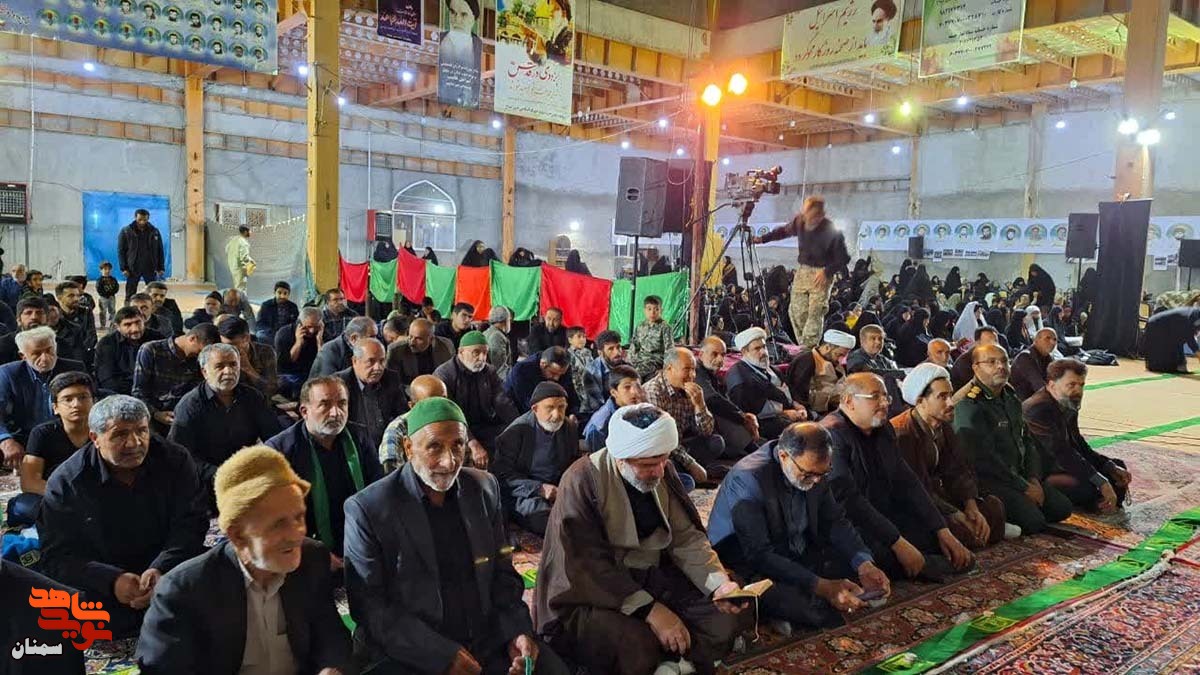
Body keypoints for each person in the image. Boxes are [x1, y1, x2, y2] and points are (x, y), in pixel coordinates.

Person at [344, 397, 570, 675]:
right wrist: (441, 656)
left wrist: (516, 632)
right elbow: (371, 608)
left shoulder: (484, 488)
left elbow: (503, 573)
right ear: (408, 448)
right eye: (435, 447)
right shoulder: (369, 508)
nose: (449, 461)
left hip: (485, 638)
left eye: (458, 445)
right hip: (413, 650)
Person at [535, 403, 747, 675]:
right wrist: (650, 610)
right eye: (648, 465)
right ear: (620, 459)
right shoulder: (582, 480)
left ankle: (674, 663)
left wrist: (718, 585)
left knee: (727, 613)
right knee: (637, 644)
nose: (659, 471)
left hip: (653, 576)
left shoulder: (662, 470)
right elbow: (586, 565)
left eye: (663, 460)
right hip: (595, 592)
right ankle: (675, 660)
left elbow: (686, 537)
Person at [135, 446, 353, 674]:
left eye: (298, 517)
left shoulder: (312, 559)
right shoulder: (183, 591)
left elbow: (330, 634)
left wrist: (331, 668)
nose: (296, 534)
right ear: (238, 536)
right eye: (278, 524)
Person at [38, 395, 209, 637]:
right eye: (120, 434)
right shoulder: (67, 481)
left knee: (221, 580)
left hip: (168, 567)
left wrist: (162, 567)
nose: (134, 443)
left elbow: (192, 524)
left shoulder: (174, 460)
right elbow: (57, 555)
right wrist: (113, 580)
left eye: (142, 431)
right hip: (104, 578)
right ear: (95, 438)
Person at [707, 423, 891, 630]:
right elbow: (759, 554)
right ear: (784, 456)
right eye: (808, 474)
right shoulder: (749, 479)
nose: (816, 481)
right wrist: (822, 586)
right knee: (818, 612)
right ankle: (772, 609)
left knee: (876, 558)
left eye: (823, 473)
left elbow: (835, 521)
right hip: (752, 564)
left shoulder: (814, 468)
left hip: (796, 549)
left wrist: (864, 565)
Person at [822, 373, 973, 581]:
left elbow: (907, 481)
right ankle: (923, 565)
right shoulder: (831, 435)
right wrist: (897, 542)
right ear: (849, 401)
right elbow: (850, 501)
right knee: (881, 555)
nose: (885, 403)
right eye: (875, 397)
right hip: (852, 524)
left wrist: (941, 529)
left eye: (886, 397)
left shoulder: (883, 428)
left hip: (886, 516)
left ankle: (925, 563)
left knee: (947, 537)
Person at [953, 344, 1073, 534]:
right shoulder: (970, 404)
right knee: (1034, 522)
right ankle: (994, 518)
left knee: (1062, 508)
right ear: (976, 367)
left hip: (1018, 475)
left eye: (1004, 361)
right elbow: (984, 459)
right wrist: (1023, 487)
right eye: (991, 362)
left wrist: (1033, 478)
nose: (1000, 366)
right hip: (991, 481)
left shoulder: (1009, 396)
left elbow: (1027, 440)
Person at [265, 376, 383, 565]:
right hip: (304, 547)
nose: (336, 413)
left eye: (342, 404)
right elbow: (275, 516)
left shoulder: (359, 437)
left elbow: (377, 491)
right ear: (304, 411)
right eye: (325, 405)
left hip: (360, 538)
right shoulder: (279, 451)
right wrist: (313, 551)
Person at [891, 364, 1011, 548]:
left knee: (993, 507)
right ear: (921, 401)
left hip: (941, 496)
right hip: (919, 504)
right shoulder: (903, 434)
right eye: (942, 397)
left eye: (950, 395)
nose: (951, 403)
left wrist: (970, 505)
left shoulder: (943, 424)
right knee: (959, 531)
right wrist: (954, 513)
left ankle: (975, 533)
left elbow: (959, 469)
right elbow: (916, 488)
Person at [169, 343, 282, 505]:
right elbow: (181, 455)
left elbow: (274, 437)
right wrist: (221, 474)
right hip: (207, 482)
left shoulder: (252, 397)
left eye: (233, 365)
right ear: (205, 372)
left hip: (247, 472)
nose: (228, 371)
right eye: (220, 366)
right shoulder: (190, 406)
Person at [1024, 359, 1132, 512]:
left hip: (1063, 463)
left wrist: (1109, 466)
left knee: (1117, 469)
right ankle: (1095, 501)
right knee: (1088, 486)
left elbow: (1078, 443)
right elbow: (1061, 452)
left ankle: (1100, 501)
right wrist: (1101, 481)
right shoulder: (1038, 408)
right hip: (1043, 470)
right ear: (1052, 385)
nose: (1078, 391)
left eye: (1081, 385)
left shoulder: (1067, 401)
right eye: (1072, 385)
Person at [753, 196, 850, 347]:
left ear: (821, 215)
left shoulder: (831, 230)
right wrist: (762, 239)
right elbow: (783, 232)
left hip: (821, 273)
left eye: (814, 217)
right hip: (803, 270)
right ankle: (804, 344)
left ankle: (809, 346)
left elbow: (844, 258)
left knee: (815, 312)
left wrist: (827, 272)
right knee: (796, 311)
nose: (809, 220)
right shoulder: (800, 221)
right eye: (807, 216)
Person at [9, 372, 94, 527]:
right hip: (55, 496)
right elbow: (29, 482)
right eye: (68, 399)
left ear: (93, 402)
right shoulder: (42, 433)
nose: (76, 404)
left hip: (94, 497)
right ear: (55, 408)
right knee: (22, 506)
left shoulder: (104, 432)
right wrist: (71, 497)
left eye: (83, 397)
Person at [493, 382, 578, 535]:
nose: (557, 415)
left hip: (558, 488)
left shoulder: (568, 427)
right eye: (550, 408)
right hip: (525, 493)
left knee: (588, 511)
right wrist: (540, 489)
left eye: (561, 407)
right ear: (535, 409)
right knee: (550, 522)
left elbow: (573, 463)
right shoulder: (515, 433)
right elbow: (502, 476)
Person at [0, 327, 87, 466]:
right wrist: (5, 440)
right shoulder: (8, 373)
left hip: (64, 437)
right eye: (37, 353)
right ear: (23, 356)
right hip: (23, 438)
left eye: (49, 350)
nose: (45, 358)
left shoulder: (74, 369)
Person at [434, 330, 519, 469]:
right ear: (461, 352)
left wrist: (518, 425)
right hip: (458, 429)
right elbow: (449, 415)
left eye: (485, 353)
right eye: (476, 353)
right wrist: (472, 443)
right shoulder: (444, 375)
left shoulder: (489, 371)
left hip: (485, 426)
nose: (482, 358)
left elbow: (502, 402)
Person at [644, 347, 731, 481]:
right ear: (669, 368)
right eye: (687, 369)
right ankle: (692, 472)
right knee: (676, 471)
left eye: (693, 370)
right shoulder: (654, 391)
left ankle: (691, 472)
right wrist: (691, 463)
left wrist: (700, 404)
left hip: (680, 445)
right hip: (661, 449)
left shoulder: (687, 389)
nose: (692, 375)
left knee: (716, 443)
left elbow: (706, 431)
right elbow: (662, 437)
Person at [724, 328, 810, 441]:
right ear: (744, 352)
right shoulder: (740, 378)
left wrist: (797, 405)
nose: (764, 352)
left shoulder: (769, 368)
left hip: (788, 412)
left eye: (764, 347)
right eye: (757, 349)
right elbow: (752, 413)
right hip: (763, 424)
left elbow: (787, 389)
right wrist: (785, 413)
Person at [132, 323, 220, 430]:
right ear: (192, 338)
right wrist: (155, 413)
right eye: (199, 351)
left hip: (186, 415)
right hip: (154, 414)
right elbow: (139, 392)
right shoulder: (151, 350)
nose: (201, 357)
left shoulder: (199, 359)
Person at [336, 337, 409, 448]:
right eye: (371, 361)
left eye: (382, 361)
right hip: (355, 447)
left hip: (388, 444)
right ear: (355, 361)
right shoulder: (339, 384)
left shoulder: (391, 378)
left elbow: (402, 415)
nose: (378, 368)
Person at [696, 336, 759, 457]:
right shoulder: (697, 371)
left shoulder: (711, 373)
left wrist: (742, 415)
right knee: (722, 413)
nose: (720, 359)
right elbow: (712, 400)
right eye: (714, 354)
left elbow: (724, 399)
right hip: (696, 423)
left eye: (723, 355)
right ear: (701, 355)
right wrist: (741, 417)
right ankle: (753, 450)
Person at [379, 374, 447, 474]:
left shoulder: (452, 422)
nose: (440, 408)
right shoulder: (397, 430)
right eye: (431, 403)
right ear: (413, 406)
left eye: (444, 400)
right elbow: (393, 475)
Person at [783, 329, 855, 417]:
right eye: (839, 355)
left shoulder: (833, 362)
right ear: (827, 347)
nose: (840, 360)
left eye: (843, 356)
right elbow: (799, 395)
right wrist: (831, 397)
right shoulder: (806, 361)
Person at [582, 364, 644, 454]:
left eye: (638, 386)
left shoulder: (640, 408)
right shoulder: (600, 427)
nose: (634, 392)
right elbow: (601, 460)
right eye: (627, 387)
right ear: (614, 393)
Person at [96, 306, 157, 395]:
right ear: (117, 327)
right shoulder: (107, 343)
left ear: (144, 320)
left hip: (153, 393)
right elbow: (107, 380)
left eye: (138, 322)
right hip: (119, 395)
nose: (135, 329)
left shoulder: (157, 339)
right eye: (128, 325)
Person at [218, 315, 278, 399]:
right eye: (224, 345)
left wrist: (248, 368)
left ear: (246, 338)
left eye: (233, 345)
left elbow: (272, 390)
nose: (228, 349)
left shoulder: (265, 352)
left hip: (259, 400)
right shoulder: (219, 353)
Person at [437, 0, 483, 107]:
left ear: (473, 19)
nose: (457, 20)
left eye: (464, 15)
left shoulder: (479, 46)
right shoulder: (438, 40)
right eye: (453, 12)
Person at [388, 317, 455, 385]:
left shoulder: (446, 346)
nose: (412, 343)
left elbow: (450, 374)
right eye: (410, 336)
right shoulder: (396, 351)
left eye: (418, 339)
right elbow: (395, 383)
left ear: (431, 339)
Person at [275, 306, 324, 399]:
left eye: (316, 327)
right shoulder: (284, 333)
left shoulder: (322, 332)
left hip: (312, 373)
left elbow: (323, 362)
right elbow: (284, 364)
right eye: (308, 327)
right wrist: (298, 343)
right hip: (290, 374)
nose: (312, 331)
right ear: (300, 323)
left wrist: (319, 341)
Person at [117, 208, 165, 301]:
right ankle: (128, 308)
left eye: (145, 220)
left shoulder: (154, 231)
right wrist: (124, 268)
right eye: (140, 219)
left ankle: (153, 308)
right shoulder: (126, 231)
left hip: (150, 266)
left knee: (153, 291)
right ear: (135, 217)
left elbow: (160, 250)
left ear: (148, 219)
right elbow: (121, 251)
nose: (142, 222)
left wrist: (161, 267)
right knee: (130, 293)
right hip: (133, 267)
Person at [310, 316, 377, 378]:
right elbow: (328, 382)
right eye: (371, 337)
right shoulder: (329, 352)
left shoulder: (371, 349)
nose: (376, 340)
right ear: (354, 338)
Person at [629, 295, 675, 380]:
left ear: (661, 310)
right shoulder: (640, 326)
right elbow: (634, 344)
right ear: (644, 310)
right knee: (623, 369)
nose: (652, 313)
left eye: (656, 309)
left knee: (633, 374)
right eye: (649, 309)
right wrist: (630, 360)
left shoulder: (665, 327)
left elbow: (670, 349)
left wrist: (666, 368)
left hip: (654, 361)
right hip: (640, 359)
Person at [1143, 306, 1200, 373]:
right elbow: (1190, 340)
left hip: (1168, 327)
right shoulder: (1194, 316)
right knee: (1162, 364)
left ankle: (1179, 365)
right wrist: (1198, 354)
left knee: (1178, 342)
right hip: (1157, 325)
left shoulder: (1194, 315)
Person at [53, 281, 95, 368]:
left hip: (81, 357)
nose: (76, 299)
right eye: (71, 296)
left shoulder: (85, 312)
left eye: (78, 295)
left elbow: (91, 336)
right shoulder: (53, 315)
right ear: (59, 298)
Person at [583, 329, 625, 413]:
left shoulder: (626, 366)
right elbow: (597, 406)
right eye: (611, 349)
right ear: (600, 353)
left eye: (618, 347)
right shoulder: (591, 372)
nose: (617, 353)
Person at [1011, 327, 1058, 400]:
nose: (1052, 342)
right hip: (1023, 401)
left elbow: (1057, 379)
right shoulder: (1025, 357)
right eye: (1047, 338)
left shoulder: (1048, 357)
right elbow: (1039, 386)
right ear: (1036, 340)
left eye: (1055, 339)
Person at [0, 297, 49, 366]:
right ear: (19, 320)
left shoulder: (59, 345)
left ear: (47, 319)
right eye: (28, 313)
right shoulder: (3, 346)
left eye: (39, 313)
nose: (34, 317)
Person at [566, 326, 595, 413]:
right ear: (570, 340)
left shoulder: (588, 352)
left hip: (589, 388)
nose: (582, 339)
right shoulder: (568, 355)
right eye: (579, 336)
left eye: (584, 337)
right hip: (576, 389)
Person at [483, 305, 514, 380]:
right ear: (505, 320)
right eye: (509, 320)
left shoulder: (488, 332)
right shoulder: (497, 336)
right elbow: (500, 369)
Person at [224, 225, 255, 293]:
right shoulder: (243, 242)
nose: (251, 232)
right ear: (245, 232)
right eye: (250, 231)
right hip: (240, 268)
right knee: (241, 288)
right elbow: (244, 258)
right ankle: (240, 299)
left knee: (237, 286)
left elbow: (226, 250)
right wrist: (251, 262)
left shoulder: (233, 240)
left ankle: (237, 298)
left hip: (232, 266)